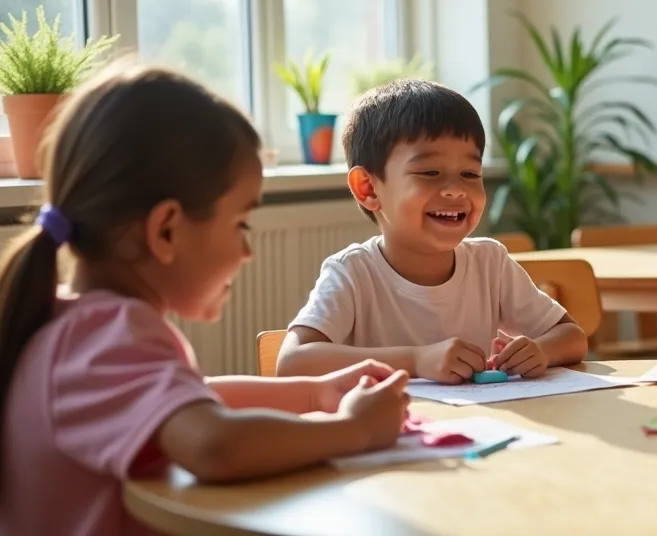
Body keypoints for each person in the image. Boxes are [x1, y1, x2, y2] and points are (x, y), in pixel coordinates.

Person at [0, 64, 410, 535]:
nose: (247, 251)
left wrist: (315, 392)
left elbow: (193, 396)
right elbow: (213, 445)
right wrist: (354, 431)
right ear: (166, 230)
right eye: (240, 225)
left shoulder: (74, 325)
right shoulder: (109, 334)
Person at [276, 79, 588, 384]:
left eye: (470, 173)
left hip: (478, 427)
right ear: (368, 188)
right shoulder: (353, 273)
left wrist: (541, 351)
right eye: (430, 172)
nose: (455, 190)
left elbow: (571, 337)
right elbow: (292, 362)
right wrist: (416, 361)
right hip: (391, 431)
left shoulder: (490, 263)